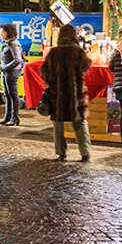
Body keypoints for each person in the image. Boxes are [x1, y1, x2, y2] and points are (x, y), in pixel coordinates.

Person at [41, 24, 91, 162]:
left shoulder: (53, 52)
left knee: (58, 124)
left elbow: (44, 72)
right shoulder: (79, 52)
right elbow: (87, 65)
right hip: (76, 93)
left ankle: (61, 153)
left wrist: (53, 80)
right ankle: (85, 152)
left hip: (58, 94)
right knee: (80, 123)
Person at [0, 24, 24, 126]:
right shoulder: (7, 43)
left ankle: (15, 118)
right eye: (1, 32)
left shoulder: (13, 44)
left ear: (8, 33)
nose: (1, 34)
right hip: (7, 72)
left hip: (11, 73)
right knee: (7, 95)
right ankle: (7, 117)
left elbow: (18, 60)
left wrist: (5, 67)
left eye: (3, 32)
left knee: (13, 95)